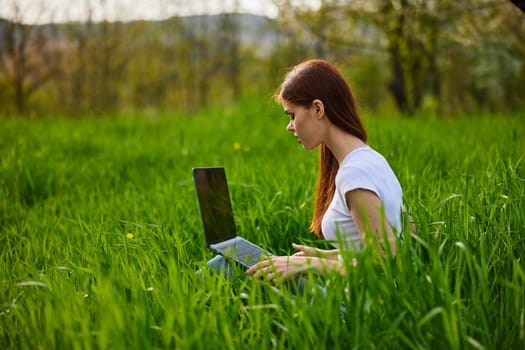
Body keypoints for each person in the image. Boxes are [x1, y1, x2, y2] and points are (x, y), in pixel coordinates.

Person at [206, 59, 404, 286]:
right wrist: (325, 256)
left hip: (352, 312)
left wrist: (311, 265)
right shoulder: (371, 159)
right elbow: (398, 237)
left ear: (318, 109)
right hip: (351, 298)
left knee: (221, 266)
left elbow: (384, 265)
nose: (289, 126)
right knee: (240, 266)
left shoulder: (355, 174)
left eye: (291, 115)